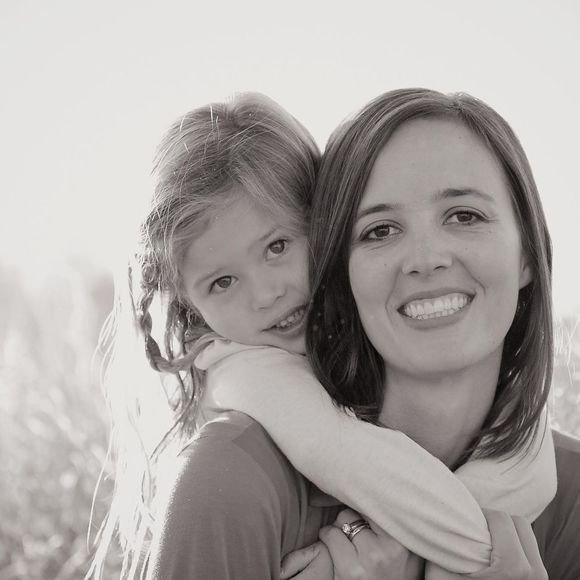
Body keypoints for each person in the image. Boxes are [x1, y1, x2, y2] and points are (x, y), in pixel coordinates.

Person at [88, 91, 564, 580]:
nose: (267, 294)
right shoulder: (232, 469)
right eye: (380, 230)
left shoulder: (554, 478)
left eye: (278, 246)